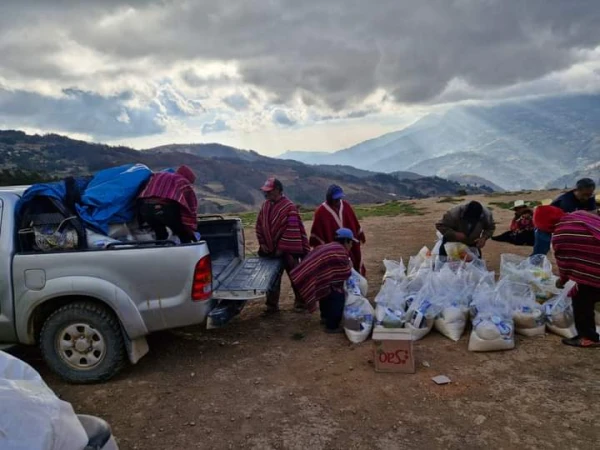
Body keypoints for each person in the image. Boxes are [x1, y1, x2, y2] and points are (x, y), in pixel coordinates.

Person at [535, 205, 600, 348]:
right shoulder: (580, 214)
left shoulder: (560, 235)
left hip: (595, 270)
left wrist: (562, 281)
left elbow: (566, 262)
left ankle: (588, 338)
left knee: (582, 301)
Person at [256, 177, 310, 315]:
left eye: (269, 191)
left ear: (278, 190)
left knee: (295, 276)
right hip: (270, 250)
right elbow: (259, 225)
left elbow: (292, 228)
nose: (266, 194)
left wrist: (282, 247)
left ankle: (301, 303)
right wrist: (263, 243)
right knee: (272, 279)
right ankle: (271, 306)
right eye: (265, 192)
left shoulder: (289, 207)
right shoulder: (265, 206)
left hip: (288, 251)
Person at [290, 228, 355, 333]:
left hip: (304, 273)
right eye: (351, 242)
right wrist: (349, 267)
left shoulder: (329, 246)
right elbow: (344, 274)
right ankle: (332, 326)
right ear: (346, 241)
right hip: (310, 275)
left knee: (325, 287)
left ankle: (325, 317)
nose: (351, 245)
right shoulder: (341, 252)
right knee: (338, 294)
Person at [310, 184, 366, 275]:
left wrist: (357, 235)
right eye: (335, 199)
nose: (338, 201)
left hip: (349, 243)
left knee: (355, 261)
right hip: (332, 246)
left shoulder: (346, 206)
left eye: (339, 198)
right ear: (329, 198)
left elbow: (353, 222)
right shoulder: (320, 212)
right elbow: (317, 234)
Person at [532, 178, 597, 256]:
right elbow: (571, 221)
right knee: (540, 252)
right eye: (584, 195)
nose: (587, 198)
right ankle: (531, 266)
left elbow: (593, 215)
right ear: (576, 190)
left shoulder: (590, 197)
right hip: (545, 225)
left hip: (563, 225)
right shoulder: (566, 200)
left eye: (589, 195)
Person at [138, 165, 198, 243]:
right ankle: (188, 253)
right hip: (163, 209)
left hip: (145, 209)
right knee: (183, 235)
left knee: (161, 235)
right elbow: (191, 205)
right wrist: (190, 226)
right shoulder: (182, 181)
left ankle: (159, 252)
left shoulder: (158, 175)